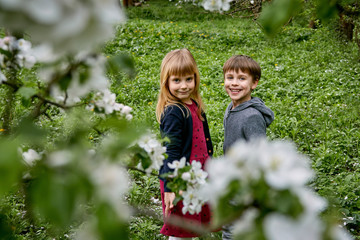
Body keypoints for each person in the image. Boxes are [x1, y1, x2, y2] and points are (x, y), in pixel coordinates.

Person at [156, 48, 213, 240]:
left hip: (195, 176)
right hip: (179, 180)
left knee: (191, 226)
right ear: (167, 82)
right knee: (180, 230)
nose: (184, 86)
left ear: (196, 78)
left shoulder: (194, 105)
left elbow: (204, 141)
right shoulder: (174, 112)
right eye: (177, 80)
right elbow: (169, 151)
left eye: (189, 79)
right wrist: (170, 187)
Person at [221, 55, 274, 240]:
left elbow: (260, 155)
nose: (234, 84)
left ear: (254, 83)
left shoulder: (252, 117)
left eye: (242, 78)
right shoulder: (231, 108)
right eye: (230, 78)